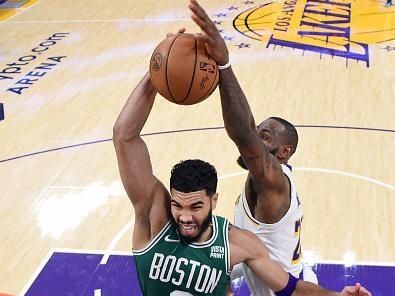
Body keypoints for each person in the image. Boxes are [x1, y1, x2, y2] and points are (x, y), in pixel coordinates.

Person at [112, 44, 371, 295]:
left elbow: (289, 288)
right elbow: (124, 136)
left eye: (196, 206)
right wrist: (162, 66)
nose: (185, 217)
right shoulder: (156, 221)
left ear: (214, 200)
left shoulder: (238, 244)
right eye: (178, 205)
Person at [188, 0, 365, 295]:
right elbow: (241, 247)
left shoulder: (272, 183)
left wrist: (224, 65)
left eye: (266, 136)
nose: (258, 138)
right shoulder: (268, 181)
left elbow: (243, 134)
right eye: (259, 133)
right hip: (291, 280)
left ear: (285, 153)